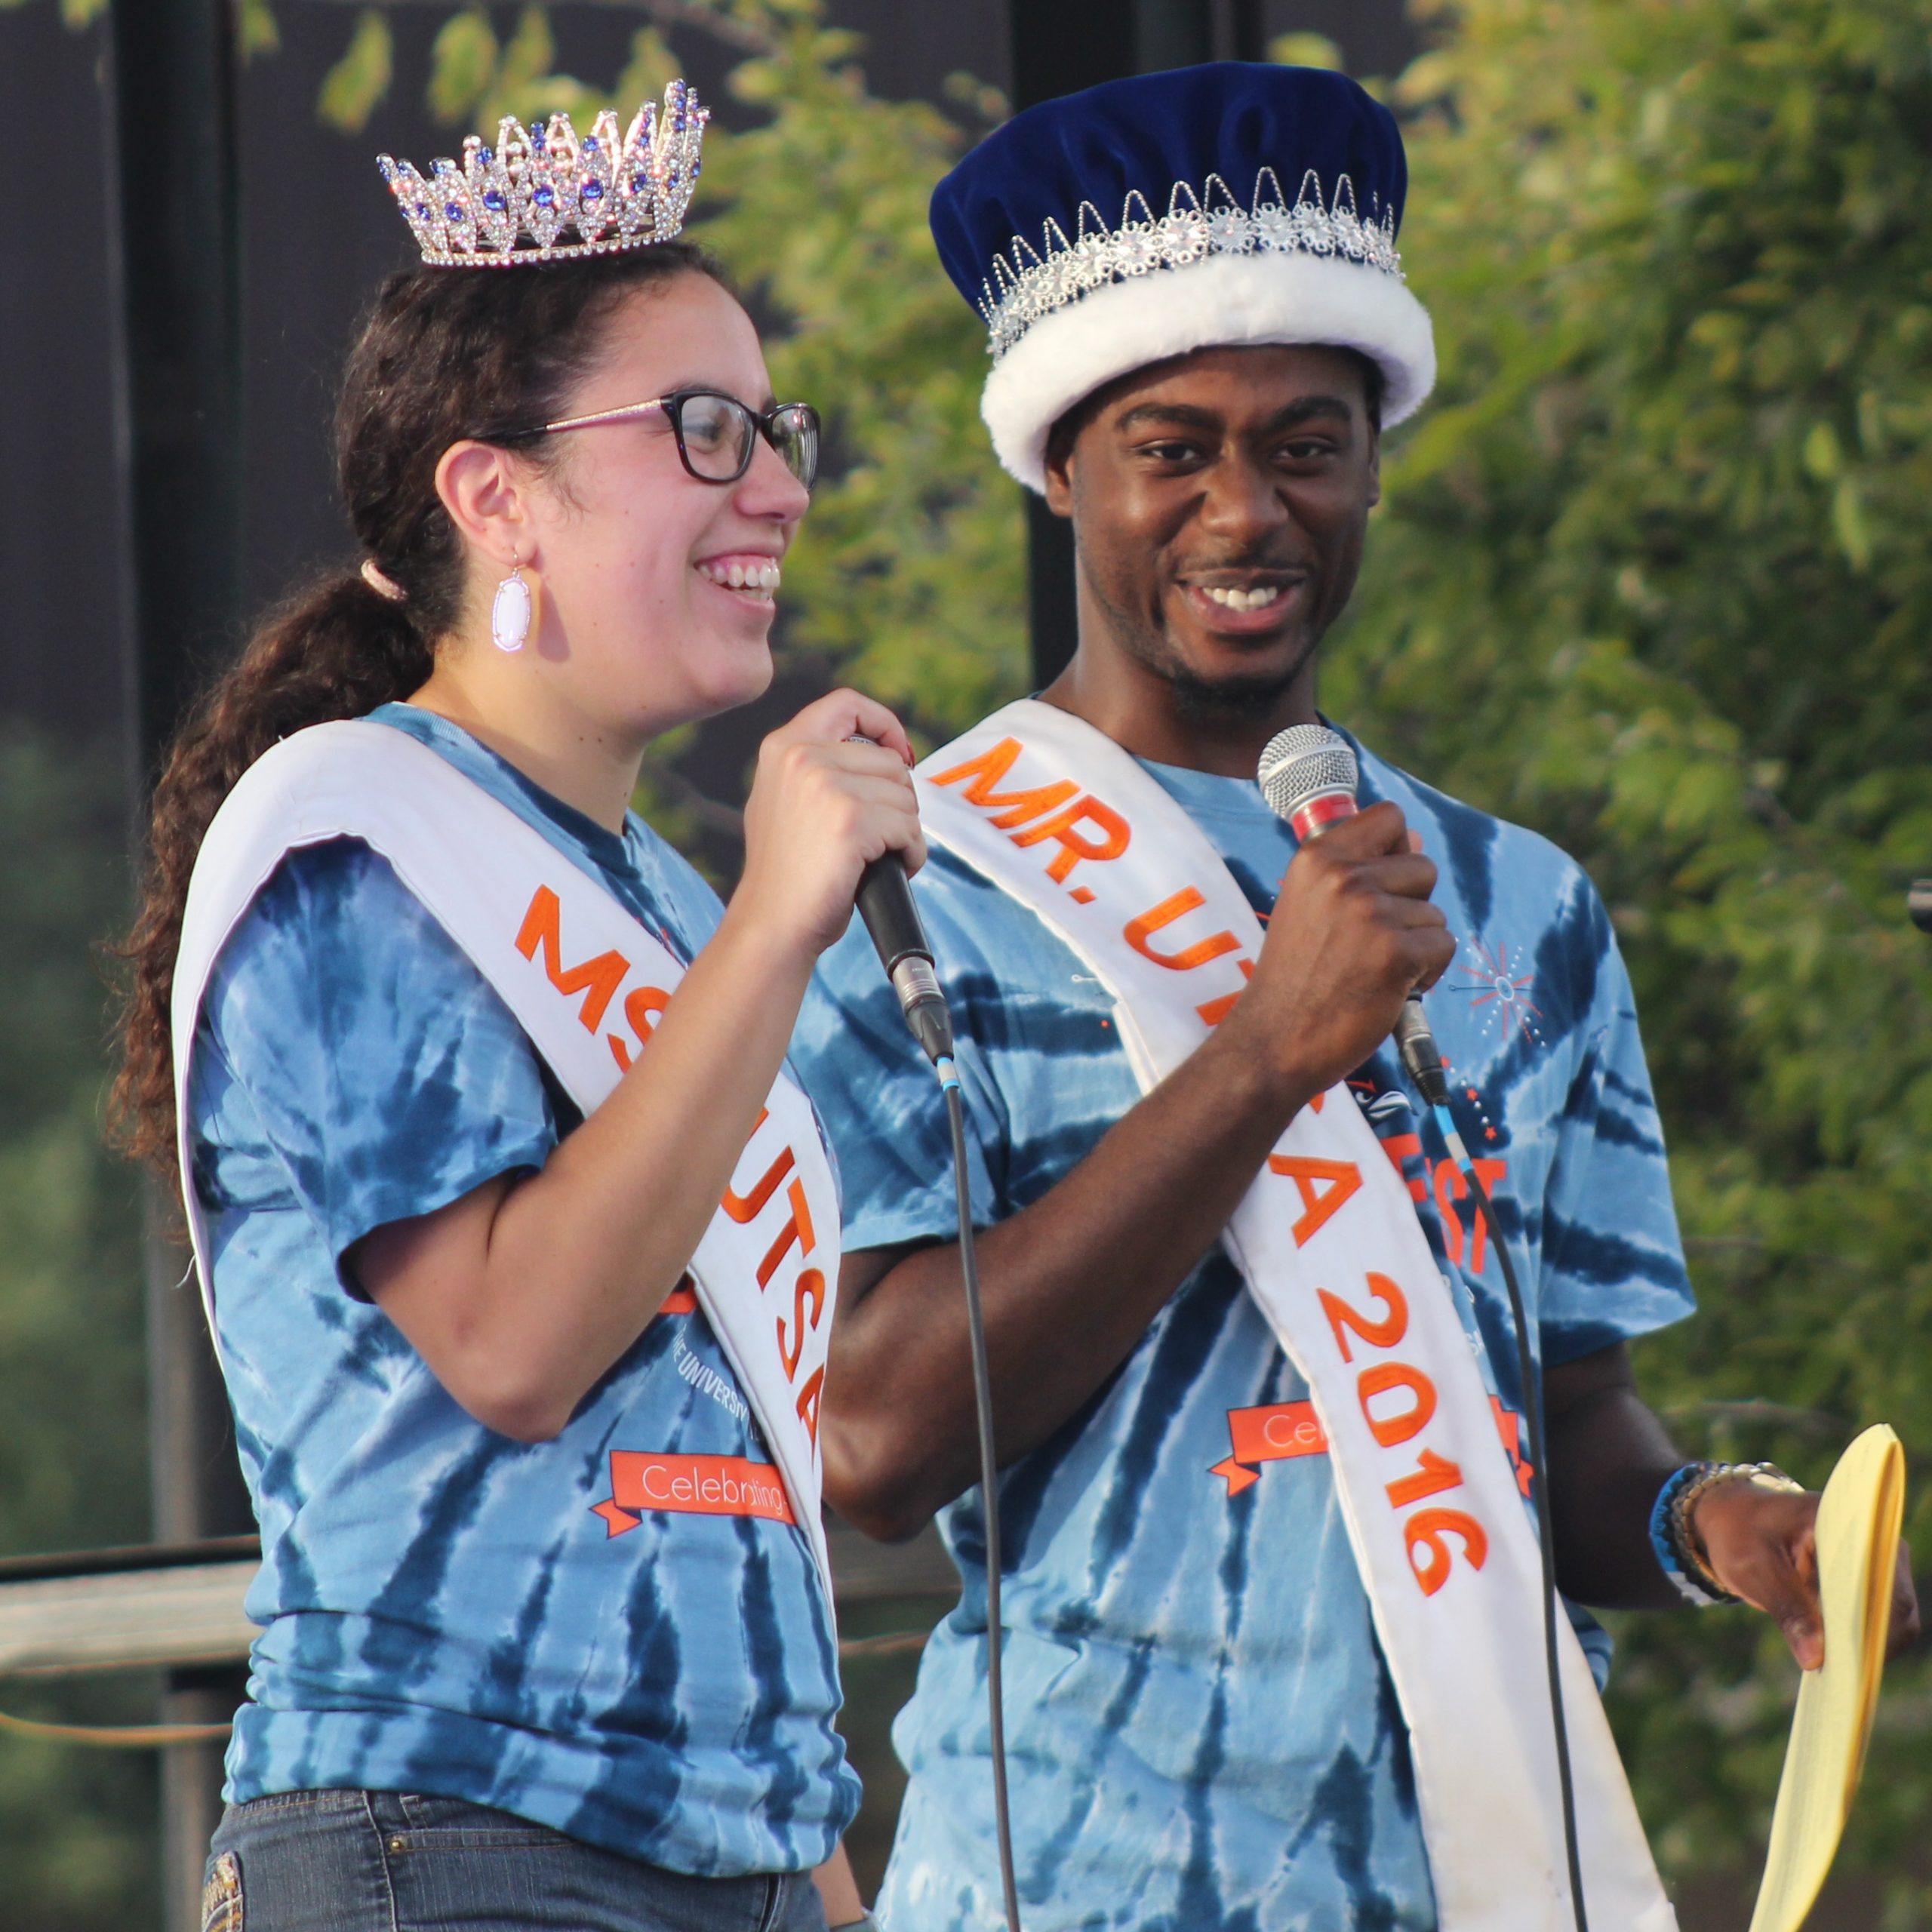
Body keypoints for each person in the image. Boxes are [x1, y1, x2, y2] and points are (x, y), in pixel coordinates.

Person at [794, 63, 1920, 1931]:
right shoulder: (922, 884)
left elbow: (1555, 1428)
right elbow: (880, 1440)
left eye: (1304, 444)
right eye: (1173, 448)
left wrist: (1715, 1522)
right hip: (1086, 1872)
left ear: (1372, 458)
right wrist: (1263, 1052)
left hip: (1464, 1874)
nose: (1247, 510)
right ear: (1060, 465)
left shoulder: (1513, 905)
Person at [114, 83, 898, 1932]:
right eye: (704, 431)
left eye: (773, 428)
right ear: (496, 495)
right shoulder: (344, 832)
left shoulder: (669, 902)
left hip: (744, 1853)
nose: (775, 483)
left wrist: (820, 1871)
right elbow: (517, 1337)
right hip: (446, 1833)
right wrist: (785, 922)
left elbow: (740, 1459)